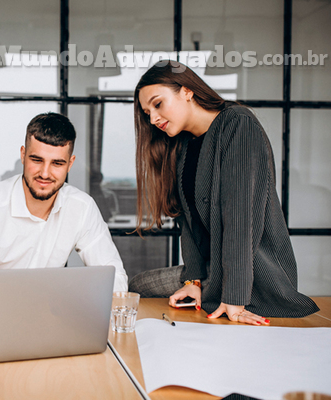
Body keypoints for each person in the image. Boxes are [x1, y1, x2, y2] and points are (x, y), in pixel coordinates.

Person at [128, 60, 319, 325]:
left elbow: (239, 219)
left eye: (158, 104)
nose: (153, 118)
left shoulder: (238, 124)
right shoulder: (182, 145)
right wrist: (192, 281)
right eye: (147, 112)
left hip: (249, 273)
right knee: (137, 284)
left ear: (187, 91)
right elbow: (189, 225)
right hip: (208, 270)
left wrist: (235, 298)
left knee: (139, 287)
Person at [0, 112, 128, 323]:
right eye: (37, 160)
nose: (45, 174)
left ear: (70, 164)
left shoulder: (82, 207)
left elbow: (114, 276)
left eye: (57, 163)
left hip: (54, 321)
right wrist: (11, 319)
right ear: (23, 155)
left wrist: (83, 313)